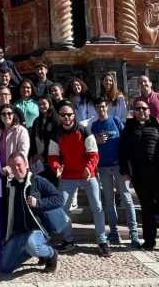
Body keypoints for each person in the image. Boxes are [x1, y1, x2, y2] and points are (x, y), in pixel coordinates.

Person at [119, 99, 159, 254]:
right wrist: (124, 170)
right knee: (146, 209)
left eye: (144, 108)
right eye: (138, 109)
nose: (141, 111)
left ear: (149, 110)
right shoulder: (129, 128)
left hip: (158, 175)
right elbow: (123, 150)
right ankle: (149, 241)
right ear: (134, 111)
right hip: (139, 176)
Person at [48, 103, 111, 256]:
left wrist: (89, 167)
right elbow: (52, 157)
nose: (66, 118)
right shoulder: (56, 134)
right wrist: (57, 168)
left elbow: (93, 154)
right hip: (68, 176)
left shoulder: (84, 131)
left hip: (87, 175)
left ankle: (102, 240)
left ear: (74, 115)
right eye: (63, 115)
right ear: (59, 117)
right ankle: (69, 241)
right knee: (62, 209)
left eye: (69, 114)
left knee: (97, 207)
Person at [0, 153, 63, 273]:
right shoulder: (10, 185)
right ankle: (34, 251)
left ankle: (51, 254)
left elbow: (60, 199)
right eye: (13, 166)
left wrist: (39, 203)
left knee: (31, 244)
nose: (16, 168)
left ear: (25, 164)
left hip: (38, 230)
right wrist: (1, 176)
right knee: (5, 267)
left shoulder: (38, 181)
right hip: (20, 233)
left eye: (19, 165)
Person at [92, 100, 139, 247]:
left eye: (103, 106)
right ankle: (113, 231)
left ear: (107, 108)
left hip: (119, 166)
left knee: (126, 197)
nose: (101, 109)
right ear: (95, 109)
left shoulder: (116, 121)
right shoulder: (94, 126)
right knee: (109, 199)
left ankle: (133, 232)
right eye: (98, 107)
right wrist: (96, 140)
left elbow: (125, 141)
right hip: (103, 167)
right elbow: (90, 145)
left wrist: (127, 164)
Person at [30, 96, 61, 186]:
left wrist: (43, 155)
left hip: (51, 158)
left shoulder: (56, 120)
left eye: (44, 104)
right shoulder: (37, 121)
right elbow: (33, 139)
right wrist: (34, 154)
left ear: (49, 104)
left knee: (53, 185)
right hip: (38, 161)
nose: (41, 106)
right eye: (39, 104)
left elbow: (54, 141)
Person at [0, 106, 30, 174]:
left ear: (13, 115)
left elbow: (23, 153)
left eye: (9, 113)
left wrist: (9, 168)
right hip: (1, 171)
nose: (6, 116)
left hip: (17, 171)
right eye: (3, 114)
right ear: (0, 117)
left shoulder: (21, 130)